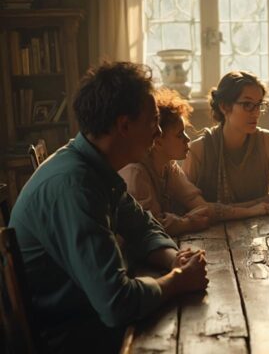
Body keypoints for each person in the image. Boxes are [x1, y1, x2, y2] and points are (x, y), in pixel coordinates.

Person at [9, 62, 209, 353]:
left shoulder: (94, 167)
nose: (157, 132)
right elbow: (118, 304)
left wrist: (175, 259)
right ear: (124, 125)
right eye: (153, 121)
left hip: (89, 316)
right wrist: (178, 280)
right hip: (70, 336)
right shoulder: (76, 186)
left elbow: (143, 227)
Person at [119, 88, 269, 236]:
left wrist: (250, 211)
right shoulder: (136, 172)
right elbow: (150, 229)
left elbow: (200, 206)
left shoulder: (169, 166)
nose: (187, 139)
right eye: (179, 135)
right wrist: (188, 222)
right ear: (158, 140)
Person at [182, 71, 269, 209]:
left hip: (261, 226)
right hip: (215, 230)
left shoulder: (265, 140)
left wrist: (241, 209)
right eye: (247, 104)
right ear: (224, 106)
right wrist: (251, 209)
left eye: (259, 105)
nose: (256, 113)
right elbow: (185, 204)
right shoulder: (198, 150)